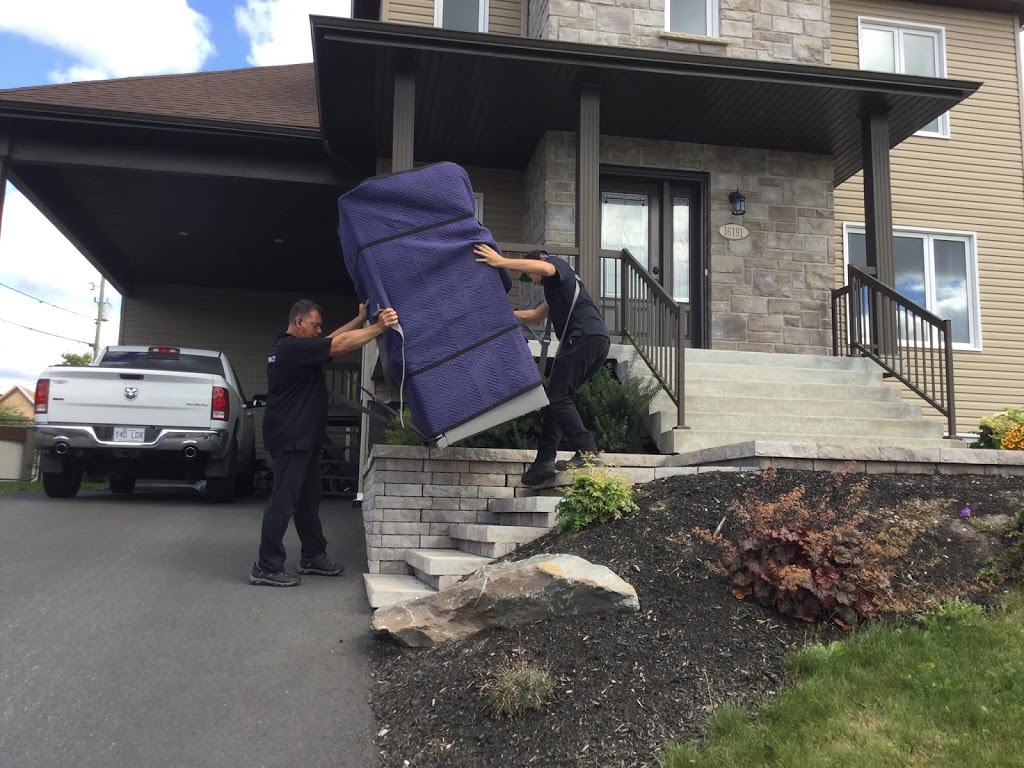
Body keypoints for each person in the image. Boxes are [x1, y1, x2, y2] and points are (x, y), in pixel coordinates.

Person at [250, 298, 399, 587]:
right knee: (283, 502)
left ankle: (312, 555)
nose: (319, 330)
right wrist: (379, 327)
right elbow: (338, 345)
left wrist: (360, 320)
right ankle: (266, 566)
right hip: (291, 439)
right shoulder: (290, 348)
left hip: (304, 438)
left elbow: (330, 340)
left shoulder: (299, 350)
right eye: (315, 325)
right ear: (298, 322)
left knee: (308, 502)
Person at [474, 243, 610, 487]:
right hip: (595, 341)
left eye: (531, 276)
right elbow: (536, 315)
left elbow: (545, 269)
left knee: (557, 398)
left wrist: (500, 262)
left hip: (582, 338)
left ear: (537, 262)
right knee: (558, 399)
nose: (534, 283)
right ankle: (544, 461)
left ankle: (588, 451)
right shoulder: (561, 288)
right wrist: (501, 313)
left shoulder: (555, 265)